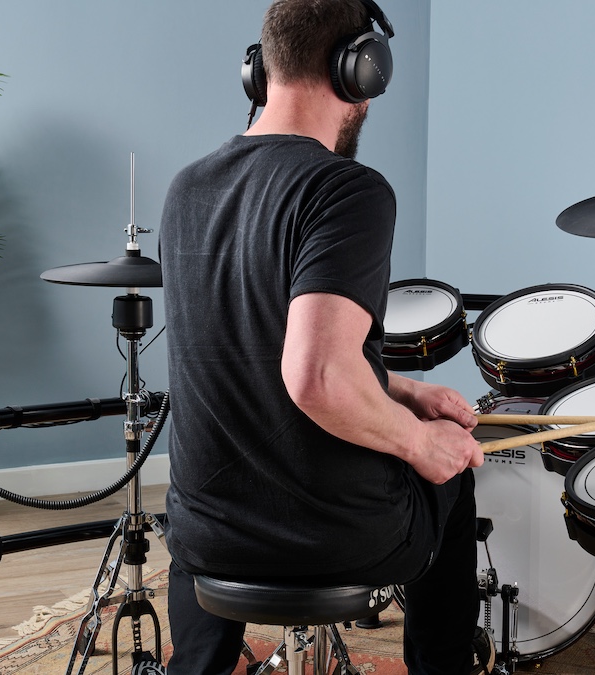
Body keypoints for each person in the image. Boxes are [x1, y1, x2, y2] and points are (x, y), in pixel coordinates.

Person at [159, 1, 487, 673]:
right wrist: (419, 440)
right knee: (452, 480)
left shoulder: (184, 187)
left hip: (205, 534)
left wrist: (402, 388)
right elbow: (315, 377)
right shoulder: (346, 189)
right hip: (325, 538)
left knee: (201, 518)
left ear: (260, 72)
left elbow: (249, 348)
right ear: (360, 71)